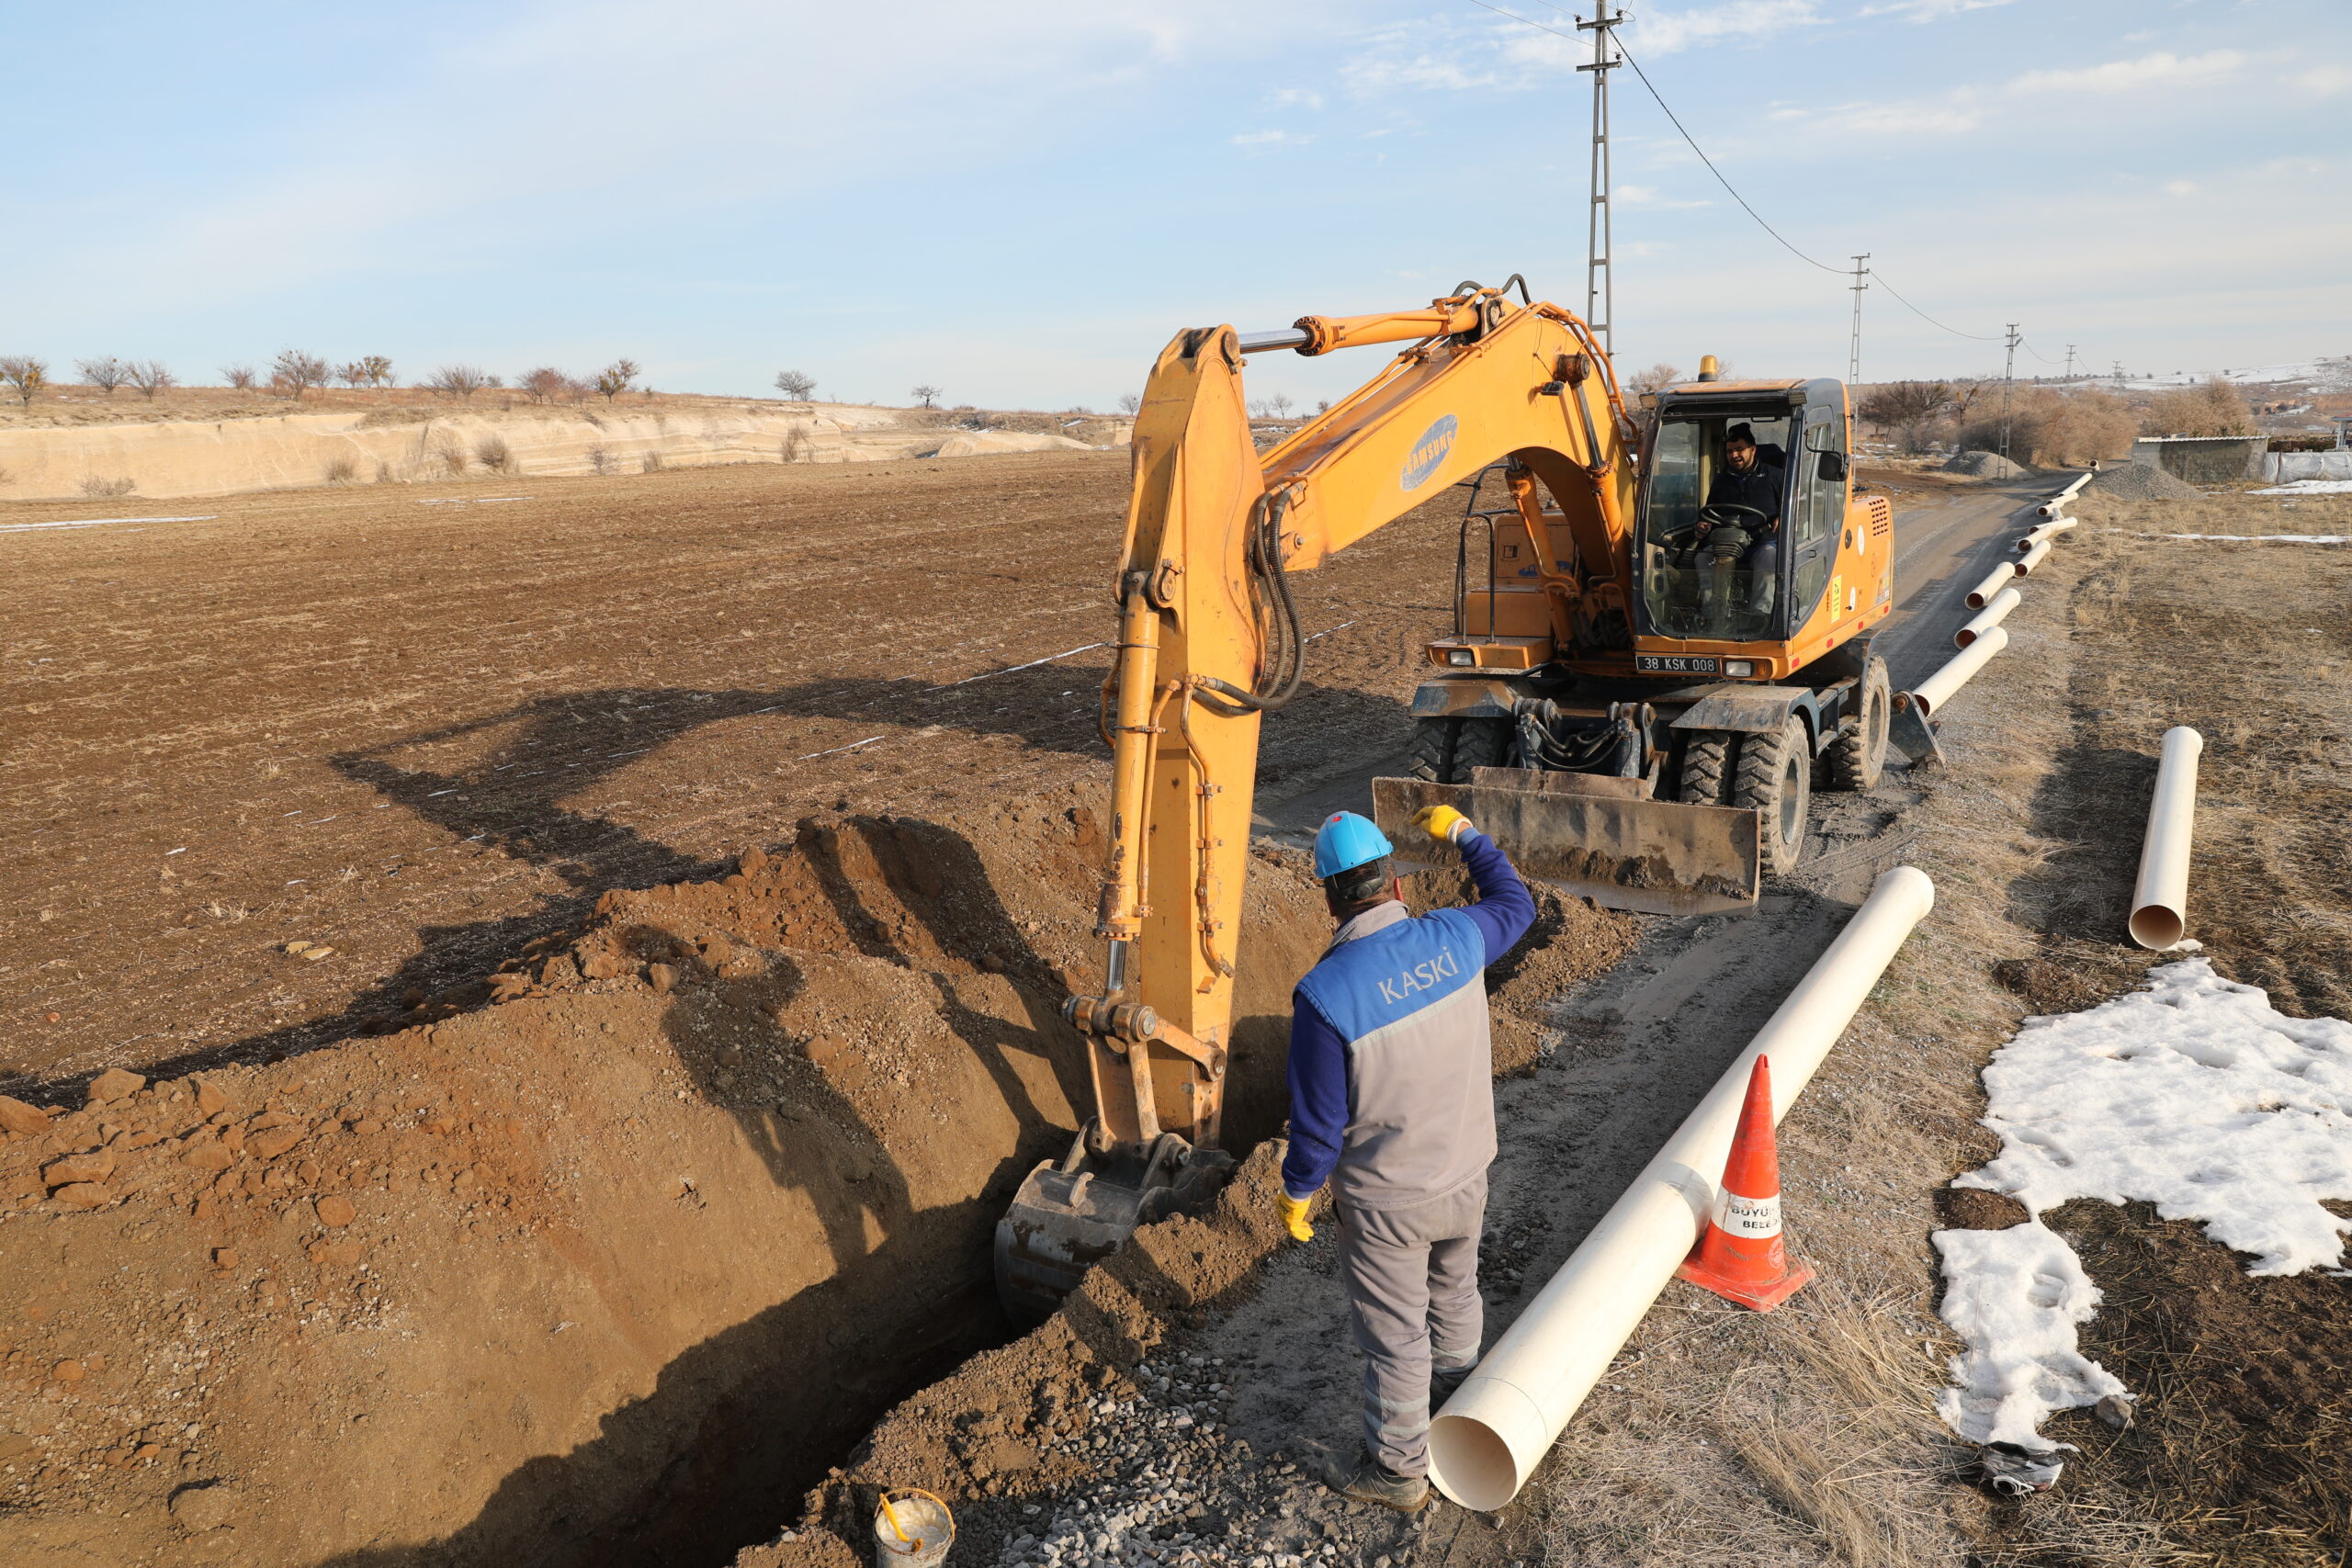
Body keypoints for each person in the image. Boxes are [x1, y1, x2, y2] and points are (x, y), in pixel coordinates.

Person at [1277, 805, 1537, 1513]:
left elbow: (1321, 1127)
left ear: (1329, 896)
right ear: (1395, 879)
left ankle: (1398, 1472)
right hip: (1467, 1172)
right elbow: (1517, 902)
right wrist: (1464, 835)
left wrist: (1297, 1192)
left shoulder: (1324, 999)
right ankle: (1462, 1400)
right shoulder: (1456, 935)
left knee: (1395, 1337)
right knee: (1454, 1291)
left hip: (1388, 1204)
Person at [1698, 423, 1785, 613]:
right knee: (1702, 558)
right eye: (1729, 451)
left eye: (1739, 450)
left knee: (1769, 557)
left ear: (1753, 450)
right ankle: (1713, 613)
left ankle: (1760, 613)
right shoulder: (1721, 481)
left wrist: (1780, 516)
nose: (1734, 455)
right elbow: (1710, 511)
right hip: (1727, 541)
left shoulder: (1775, 476)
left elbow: (1794, 507)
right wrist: (1704, 524)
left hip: (1761, 542)